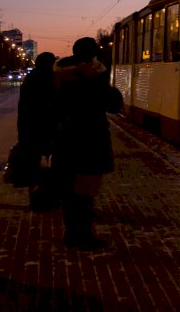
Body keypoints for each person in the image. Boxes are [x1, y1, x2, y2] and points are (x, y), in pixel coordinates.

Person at [54, 37, 123, 249]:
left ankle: (71, 232)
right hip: (91, 138)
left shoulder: (58, 75)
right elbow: (113, 105)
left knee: (69, 188)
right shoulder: (95, 76)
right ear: (93, 54)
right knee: (87, 190)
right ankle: (83, 235)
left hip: (65, 138)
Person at [16, 52, 59, 211]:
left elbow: (24, 109)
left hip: (30, 130)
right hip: (47, 130)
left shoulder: (30, 79)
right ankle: (47, 199)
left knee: (34, 166)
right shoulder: (50, 79)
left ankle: (36, 200)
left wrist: (22, 133)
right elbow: (53, 106)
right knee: (47, 166)